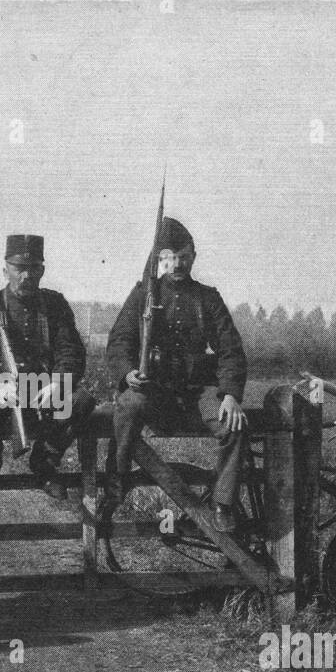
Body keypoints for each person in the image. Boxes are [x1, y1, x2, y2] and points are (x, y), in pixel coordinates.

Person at [105, 217, 249, 530]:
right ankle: (116, 479)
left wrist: (229, 395)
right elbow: (119, 341)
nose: (177, 264)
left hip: (196, 392)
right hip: (154, 393)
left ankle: (223, 503)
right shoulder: (144, 292)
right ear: (159, 260)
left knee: (232, 423)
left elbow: (230, 350)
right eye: (169, 257)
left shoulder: (207, 298)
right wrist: (127, 373)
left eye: (183, 256)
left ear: (193, 257)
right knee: (128, 405)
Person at [0, 234, 96, 500]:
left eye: (33, 268)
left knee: (81, 401)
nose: (26, 275)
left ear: (42, 270)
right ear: (5, 270)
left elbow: (71, 352)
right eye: (19, 268)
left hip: (42, 398)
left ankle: (44, 463)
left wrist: (58, 383)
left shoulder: (55, 305)